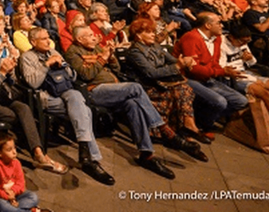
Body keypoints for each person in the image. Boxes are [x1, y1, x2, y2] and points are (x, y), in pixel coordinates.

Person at [64, 25, 185, 179]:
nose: (95, 37)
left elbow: (117, 69)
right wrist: (103, 58)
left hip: (113, 88)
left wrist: (112, 57)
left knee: (134, 104)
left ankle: (146, 154)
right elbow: (86, 75)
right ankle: (164, 129)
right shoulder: (73, 53)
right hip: (94, 92)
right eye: (89, 35)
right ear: (80, 39)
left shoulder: (95, 48)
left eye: (94, 34)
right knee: (136, 88)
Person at [20, 27, 114, 185]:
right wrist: (47, 65)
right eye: (43, 38)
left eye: (48, 37)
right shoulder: (27, 57)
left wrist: (64, 66)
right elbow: (32, 83)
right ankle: (90, 158)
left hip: (64, 91)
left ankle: (86, 155)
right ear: (33, 42)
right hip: (46, 97)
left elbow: (73, 76)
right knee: (84, 111)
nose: (48, 40)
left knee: (76, 97)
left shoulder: (54, 52)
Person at [0, 32, 67, 174]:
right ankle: (29, 152)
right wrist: (2, 73)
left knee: (24, 108)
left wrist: (10, 72)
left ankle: (38, 153)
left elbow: (10, 84)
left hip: (3, 98)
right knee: (17, 118)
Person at [124, 19, 209, 160]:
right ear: (139, 36)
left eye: (153, 31)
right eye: (148, 32)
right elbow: (151, 73)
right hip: (146, 87)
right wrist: (176, 67)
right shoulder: (135, 52)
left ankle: (185, 129)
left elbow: (172, 60)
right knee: (181, 90)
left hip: (162, 83)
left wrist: (185, 60)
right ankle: (185, 132)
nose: (153, 34)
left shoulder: (155, 47)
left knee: (183, 88)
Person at [173, 12, 249, 132]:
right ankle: (204, 125)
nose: (222, 26)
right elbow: (193, 69)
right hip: (188, 78)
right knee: (220, 101)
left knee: (241, 101)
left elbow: (214, 62)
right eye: (218, 23)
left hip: (207, 78)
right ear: (208, 25)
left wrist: (225, 71)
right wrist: (221, 72)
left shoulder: (217, 39)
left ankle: (204, 116)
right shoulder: (192, 37)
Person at [0, 131, 51, 212]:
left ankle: (15, 210)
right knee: (2, 205)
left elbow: (20, 183)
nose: (14, 152)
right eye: (9, 150)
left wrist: (13, 193)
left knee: (33, 197)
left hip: (14, 196)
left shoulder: (16, 163)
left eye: (14, 148)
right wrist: (6, 196)